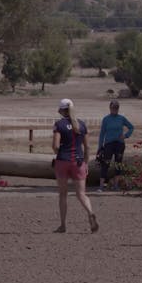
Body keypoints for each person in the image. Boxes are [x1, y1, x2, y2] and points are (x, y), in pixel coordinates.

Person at [52, 98, 98, 233]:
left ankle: (63, 225)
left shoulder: (59, 125)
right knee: (81, 194)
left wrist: (59, 153)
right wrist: (85, 162)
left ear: (61, 110)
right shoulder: (82, 125)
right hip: (78, 162)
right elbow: (88, 147)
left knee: (63, 194)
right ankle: (90, 212)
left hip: (63, 161)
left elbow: (55, 146)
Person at [97, 99, 134, 191]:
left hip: (119, 144)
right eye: (113, 107)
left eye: (116, 108)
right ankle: (101, 186)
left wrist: (126, 136)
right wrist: (100, 146)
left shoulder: (121, 118)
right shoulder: (106, 119)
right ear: (110, 108)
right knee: (105, 164)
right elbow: (102, 134)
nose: (115, 109)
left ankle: (116, 185)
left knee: (118, 164)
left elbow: (131, 127)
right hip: (108, 144)